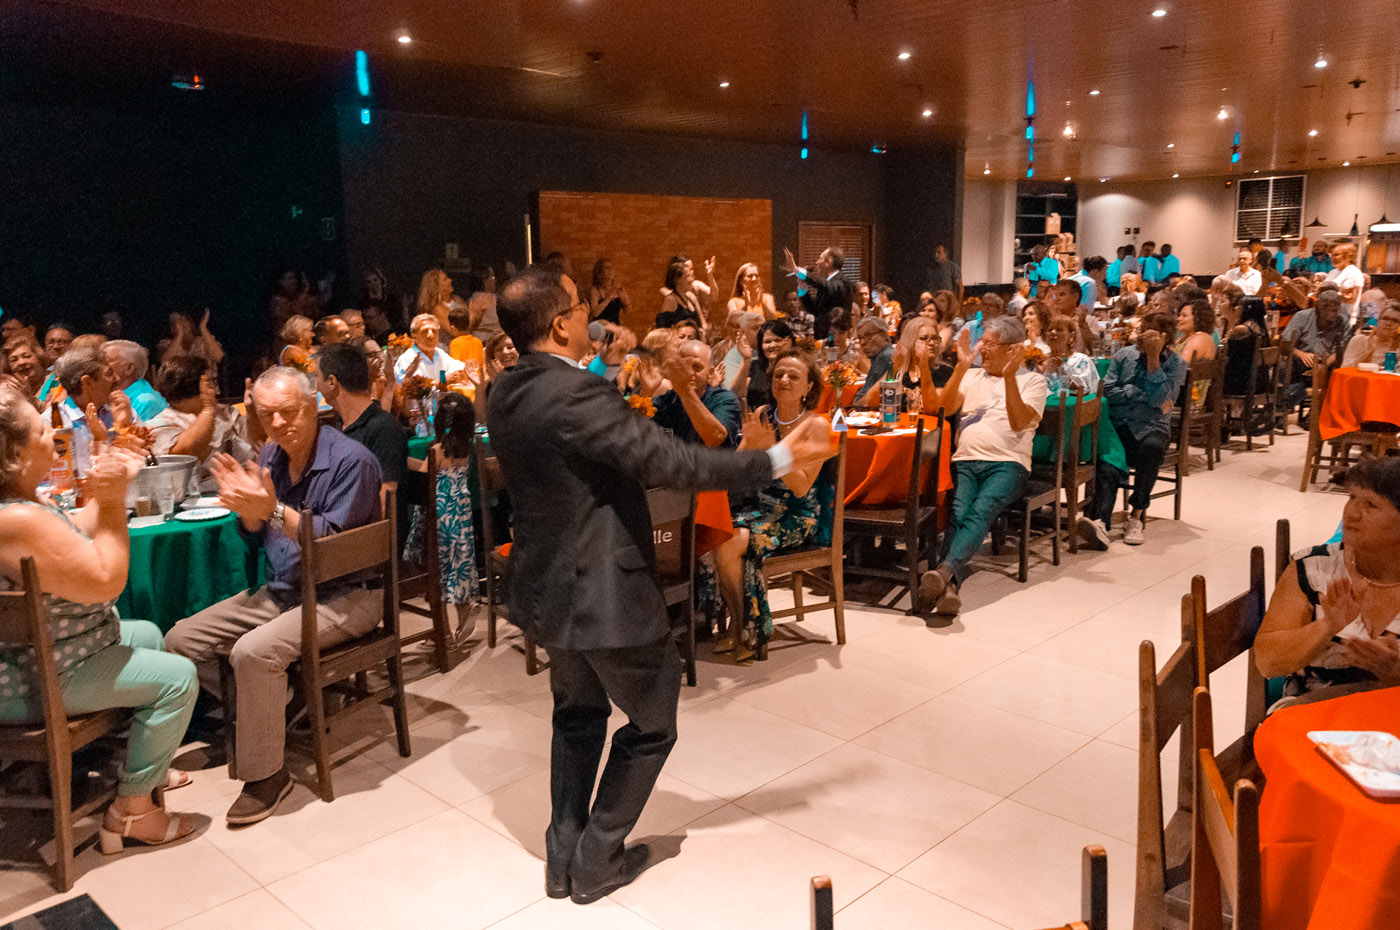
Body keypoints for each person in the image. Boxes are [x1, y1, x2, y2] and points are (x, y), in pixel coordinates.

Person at [485, 265, 833, 904]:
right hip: (603, 590)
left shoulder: (504, 388)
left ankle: (562, 856)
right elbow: (673, 463)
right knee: (652, 723)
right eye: (580, 307)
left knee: (577, 716)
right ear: (560, 325)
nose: (592, 318)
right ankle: (596, 858)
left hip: (548, 587)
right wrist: (782, 457)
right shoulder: (575, 392)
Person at [165, 367, 384, 826]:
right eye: (268, 415)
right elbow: (257, 531)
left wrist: (271, 510)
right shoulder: (271, 455)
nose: (279, 423)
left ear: (313, 406)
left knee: (253, 652)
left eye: (289, 412)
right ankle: (272, 707)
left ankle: (267, 774)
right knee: (180, 640)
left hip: (347, 594)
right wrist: (249, 513)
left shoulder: (353, 461)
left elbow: (333, 549)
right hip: (285, 588)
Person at [0, 386, 199, 853]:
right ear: (15, 454)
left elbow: (79, 529)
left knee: (147, 634)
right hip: (36, 678)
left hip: (52, 654)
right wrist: (111, 502)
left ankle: (137, 766)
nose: (53, 434)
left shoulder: (24, 504)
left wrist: (115, 476)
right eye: (41, 430)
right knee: (179, 679)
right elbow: (106, 581)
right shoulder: (16, 521)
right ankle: (132, 813)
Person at [917, 319, 1048, 615]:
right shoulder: (972, 376)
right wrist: (962, 366)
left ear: (1012, 349)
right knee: (958, 513)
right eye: (982, 341)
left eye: (989, 344)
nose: (982, 349)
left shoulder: (1033, 381)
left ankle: (944, 571)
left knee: (981, 509)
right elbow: (943, 408)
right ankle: (947, 585)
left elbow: (1019, 422)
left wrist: (1010, 377)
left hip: (1008, 464)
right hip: (965, 460)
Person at [712, 350, 832, 660]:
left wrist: (772, 452)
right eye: (779, 374)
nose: (784, 380)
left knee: (732, 540)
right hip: (757, 507)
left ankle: (743, 628)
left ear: (808, 386)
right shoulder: (763, 414)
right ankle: (740, 625)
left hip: (797, 514)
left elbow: (801, 487)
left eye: (793, 376)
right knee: (716, 532)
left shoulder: (817, 425)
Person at [1255, 457, 1400, 709]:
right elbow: (1267, 663)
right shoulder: (1313, 567)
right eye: (1352, 497)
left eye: (1371, 504)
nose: (1351, 513)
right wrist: (1327, 626)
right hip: (1313, 714)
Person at [1076, 311, 1187, 549]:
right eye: (1141, 332)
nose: (1142, 338)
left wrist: (1154, 360)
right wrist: (1137, 392)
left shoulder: (1177, 364)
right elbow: (1108, 391)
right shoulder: (1124, 355)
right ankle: (1100, 522)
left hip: (1152, 426)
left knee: (1152, 448)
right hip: (1120, 423)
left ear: (1164, 337)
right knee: (1108, 456)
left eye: (1149, 334)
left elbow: (1160, 400)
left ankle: (1136, 515)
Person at [404, 391, 480, 645]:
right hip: (461, 517)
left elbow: (425, 476)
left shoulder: (436, 450)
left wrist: (406, 462)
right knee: (459, 566)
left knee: (437, 574)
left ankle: (442, 631)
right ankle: (465, 608)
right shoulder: (468, 450)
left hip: (438, 518)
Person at [146, 356, 257, 491]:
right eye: (211, 381)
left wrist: (252, 411)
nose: (215, 387)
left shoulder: (224, 412)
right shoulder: (160, 423)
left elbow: (255, 441)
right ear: (196, 385)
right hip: (203, 496)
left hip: (249, 484)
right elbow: (185, 452)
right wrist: (208, 409)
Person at [51, 344, 146, 475]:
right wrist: (100, 441)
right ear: (87, 382)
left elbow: (145, 459)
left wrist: (122, 425)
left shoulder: (121, 410)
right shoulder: (54, 423)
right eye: (109, 373)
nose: (117, 379)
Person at [651, 339, 742, 448]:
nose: (689, 372)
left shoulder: (724, 399)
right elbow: (637, 431)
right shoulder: (668, 399)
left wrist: (686, 391)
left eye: (697, 367)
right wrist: (647, 391)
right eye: (684, 367)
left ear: (710, 373)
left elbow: (716, 437)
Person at [1282, 289, 1348, 408]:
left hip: (1328, 363)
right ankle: (1287, 405)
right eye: (1333, 310)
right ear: (1320, 308)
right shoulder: (1302, 317)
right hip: (1302, 362)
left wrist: (1324, 365)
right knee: (1287, 367)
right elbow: (1285, 345)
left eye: (1338, 309)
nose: (1336, 313)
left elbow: (1342, 350)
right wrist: (1301, 354)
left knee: (1339, 372)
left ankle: (1323, 410)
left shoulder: (1342, 321)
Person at [780, 246, 851, 340]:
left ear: (828, 262)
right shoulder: (826, 284)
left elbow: (825, 286)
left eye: (820, 258)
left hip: (835, 338)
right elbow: (814, 310)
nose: (817, 262)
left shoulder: (842, 281)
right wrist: (802, 286)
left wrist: (797, 270)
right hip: (821, 338)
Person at [737, 319, 795, 412]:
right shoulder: (754, 366)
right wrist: (746, 359)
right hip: (754, 418)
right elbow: (738, 393)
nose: (772, 345)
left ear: (788, 342)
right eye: (767, 342)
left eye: (778, 340)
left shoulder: (796, 369)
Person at [104, 340, 168, 422]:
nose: (99, 366)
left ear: (129, 368)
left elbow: (130, 430)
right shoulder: (106, 394)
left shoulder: (145, 402)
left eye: (106, 361)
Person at [394, 313, 466, 385]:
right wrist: (443, 380)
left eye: (434, 331)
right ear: (414, 337)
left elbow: (458, 367)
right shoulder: (407, 359)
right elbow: (413, 388)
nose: (431, 335)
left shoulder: (439, 353)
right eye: (425, 331)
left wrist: (467, 367)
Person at [1037, 314, 1100, 395]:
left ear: (1071, 336)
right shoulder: (1042, 360)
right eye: (1050, 330)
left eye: (1059, 330)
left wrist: (1062, 370)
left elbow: (1083, 391)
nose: (1053, 332)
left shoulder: (1081, 361)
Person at [656, 258, 710, 332]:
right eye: (688, 276)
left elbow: (704, 324)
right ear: (677, 280)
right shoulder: (671, 300)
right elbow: (663, 329)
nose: (692, 279)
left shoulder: (691, 297)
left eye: (691, 275)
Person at [1342, 300, 1400, 368]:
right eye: (1385, 318)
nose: (1388, 323)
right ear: (1378, 321)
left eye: (1395, 321)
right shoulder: (1359, 341)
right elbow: (1344, 368)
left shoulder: (1397, 348)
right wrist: (1368, 352)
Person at [853, 317, 896, 403]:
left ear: (883, 335)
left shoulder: (886, 357)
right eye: (860, 338)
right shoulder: (878, 356)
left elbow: (866, 400)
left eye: (868, 336)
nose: (863, 342)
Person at [447, 306, 485, 397]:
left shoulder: (455, 343)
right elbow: (481, 365)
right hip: (477, 381)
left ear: (452, 327)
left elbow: (455, 367)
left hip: (463, 385)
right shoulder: (478, 341)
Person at [5, 336, 55, 404]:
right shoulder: (10, 389)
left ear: (39, 358)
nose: (21, 362)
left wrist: (28, 397)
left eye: (26, 356)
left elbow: (54, 409)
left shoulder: (55, 379)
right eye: (14, 360)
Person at [1325, 241, 1365, 324]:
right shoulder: (1332, 272)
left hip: (1344, 318)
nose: (1332, 258)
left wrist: (1326, 293)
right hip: (1328, 317)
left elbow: (1351, 298)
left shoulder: (1353, 272)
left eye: (1336, 255)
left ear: (1348, 256)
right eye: (1331, 255)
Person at [587, 259, 631, 325]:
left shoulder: (617, 287)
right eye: (607, 267)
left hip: (614, 326)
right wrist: (608, 298)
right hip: (600, 327)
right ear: (600, 272)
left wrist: (625, 298)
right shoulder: (596, 289)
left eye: (612, 267)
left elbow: (628, 311)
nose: (610, 270)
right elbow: (595, 314)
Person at [1174, 298, 1218, 364]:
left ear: (1198, 318)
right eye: (1179, 315)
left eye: (1184, 316)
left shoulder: (1199, 339)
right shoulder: (1187, 336)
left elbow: (1181, 366)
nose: (1178, 319)